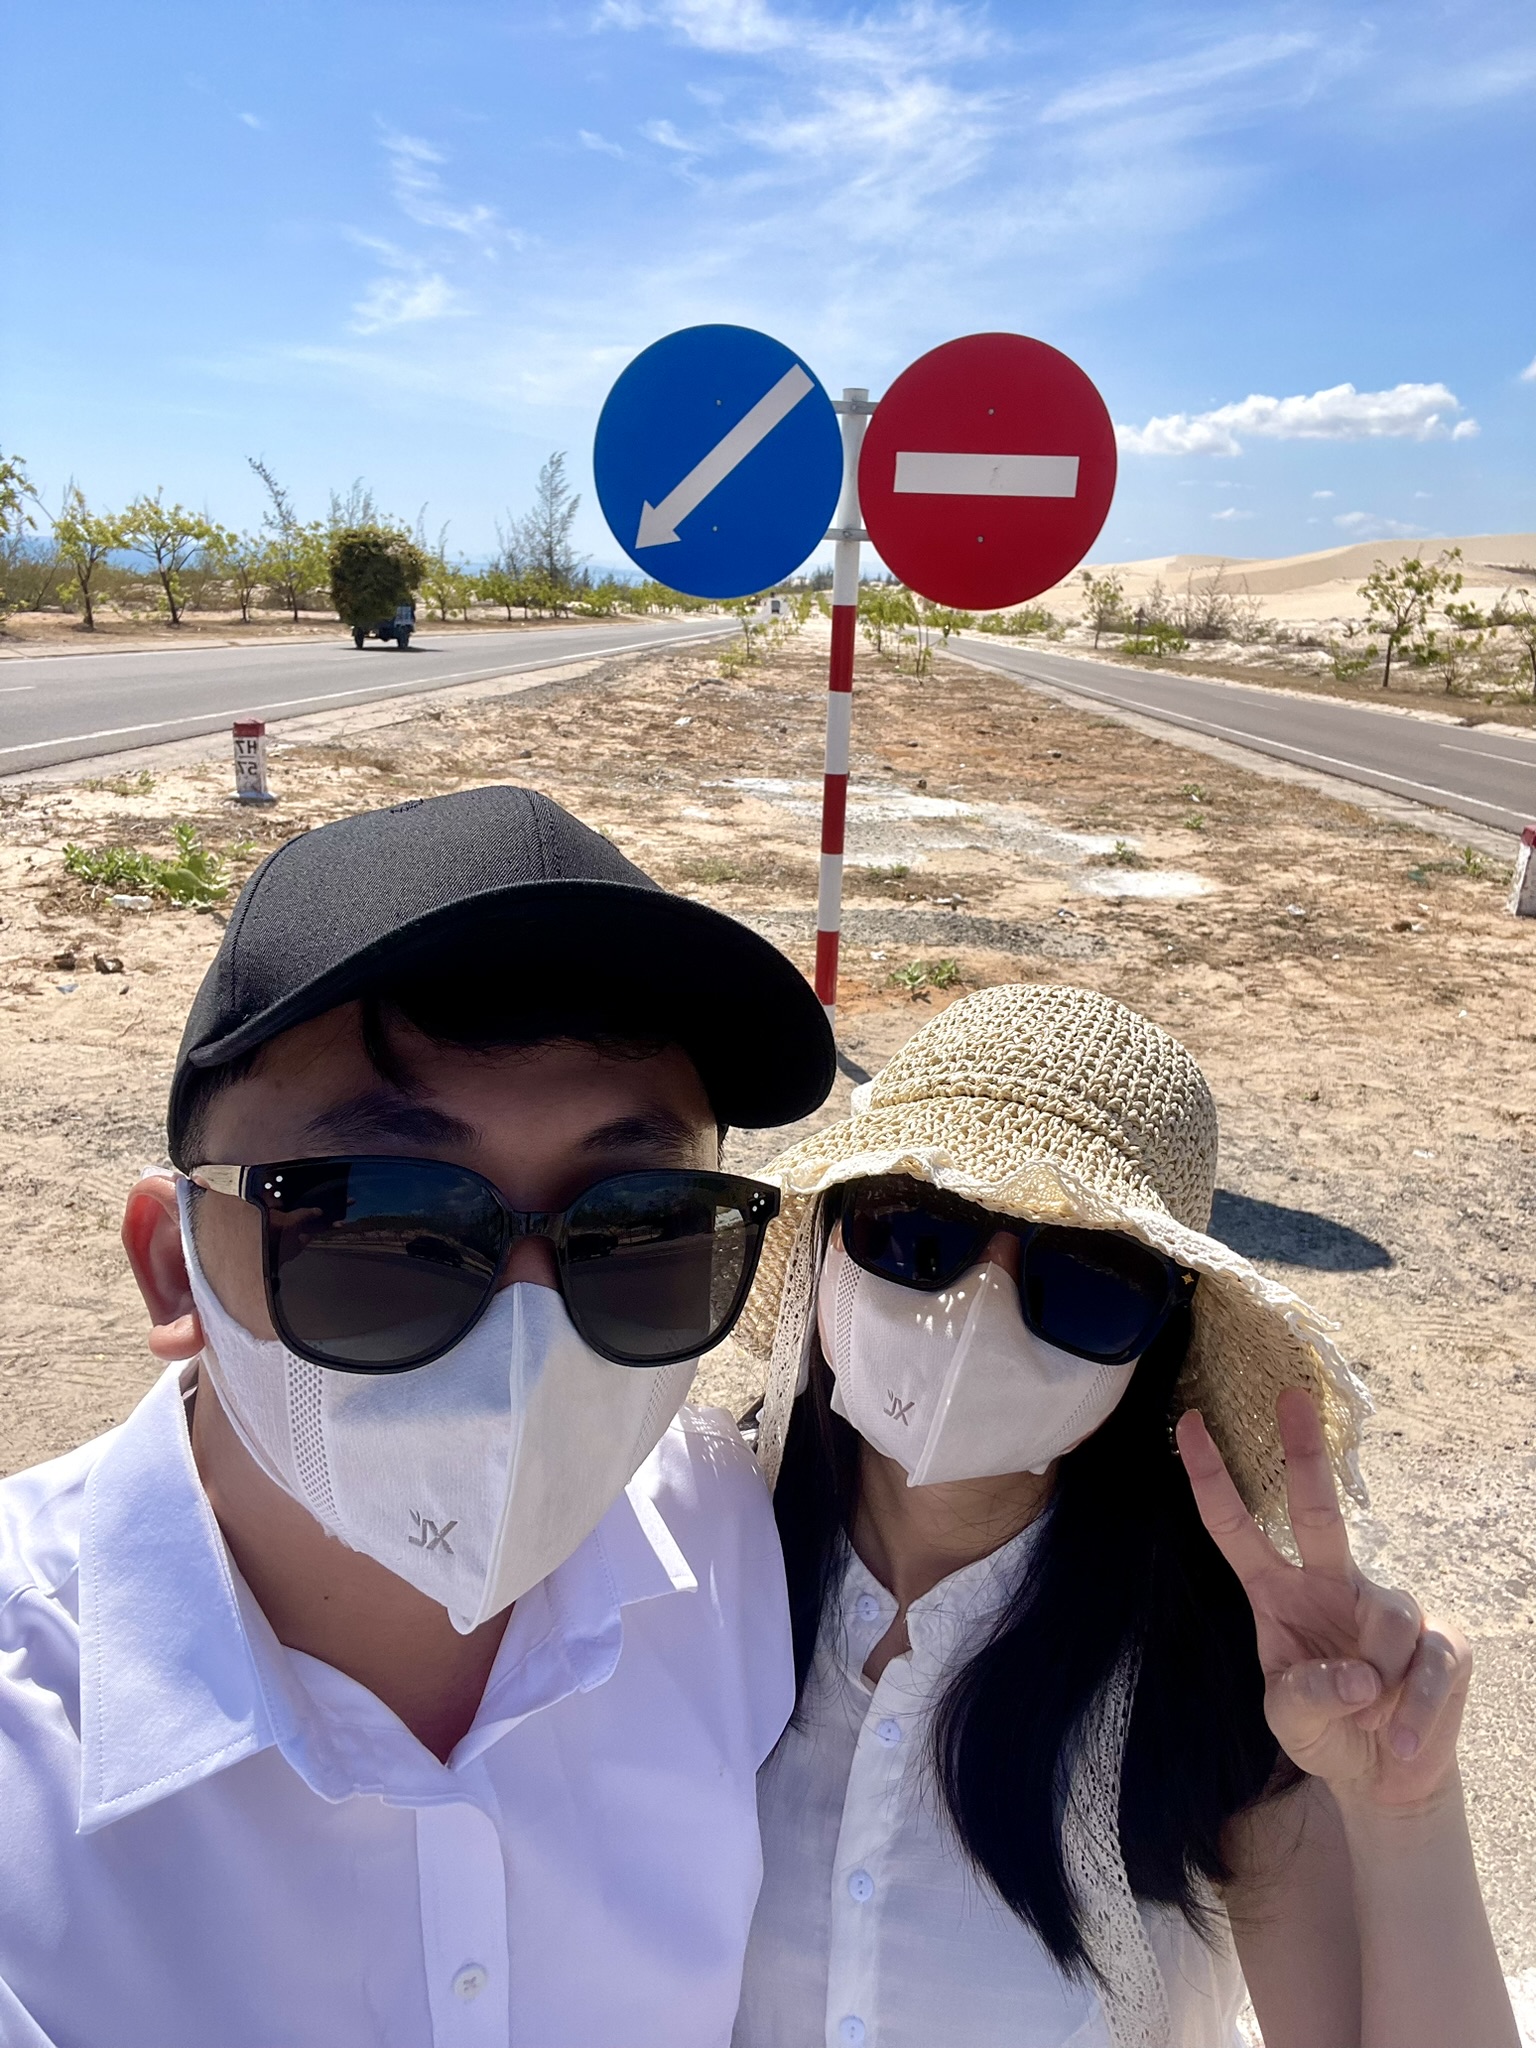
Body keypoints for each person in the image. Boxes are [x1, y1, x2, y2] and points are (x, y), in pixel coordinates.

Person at [0, 784, 836, 2048]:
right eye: (387, 1220)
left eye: (638, 1225)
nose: (528, 1325)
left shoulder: (728, 1546)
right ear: (174, 1266)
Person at [732, 982, 1515, 2048]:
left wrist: (1404, 1813)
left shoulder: (1221, 1668)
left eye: (1088, 1281)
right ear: (827, 1241)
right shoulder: (690, 1562)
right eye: (917, 1230)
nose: (979, 1307)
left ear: (1151, 1349)